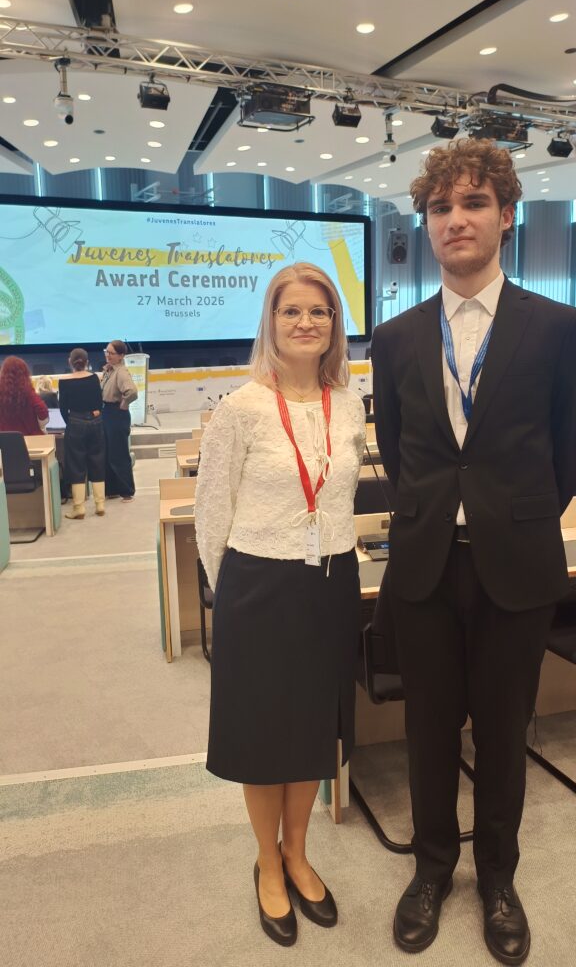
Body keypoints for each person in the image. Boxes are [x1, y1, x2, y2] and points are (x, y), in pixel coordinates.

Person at [371, 138, 576, 965]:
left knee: (502, 732)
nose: (455, 219)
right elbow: (398, 449)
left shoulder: (558, 328)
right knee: (426, 733)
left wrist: (514, 516)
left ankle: (497, 878)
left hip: (516, 566)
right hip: (425, 565)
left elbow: (568, 449)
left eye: (473, 203)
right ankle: (431, 870)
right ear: (426, 223)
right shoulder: (395, 337)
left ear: (506, 215)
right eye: (440, 207)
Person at [195, 263, 365, 947]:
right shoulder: (240, 408)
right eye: (291, 311)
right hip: (259, 586)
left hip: (330, 581)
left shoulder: (348, 403)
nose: (305, 322)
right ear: (270, 321)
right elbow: (211, 516)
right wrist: (236, 592)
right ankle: (267, 861)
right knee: (263, 735)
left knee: (311, 729)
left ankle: (298, 853)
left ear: (334, 325)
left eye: (319, 311)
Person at [58, 348, 105, 520]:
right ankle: (100, 504)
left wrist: (71, 422)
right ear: (87, 362)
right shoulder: (94, 378)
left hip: (75, 423)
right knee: (97, 460)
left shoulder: (64, 382)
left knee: (76, 464)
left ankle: (79, 507)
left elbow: (63, 409)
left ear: (70, 362)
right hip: (95, 422)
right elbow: (99, 403)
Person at [100, 341, 137, 500]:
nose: (108, 355)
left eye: (111, 353)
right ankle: (112, 490)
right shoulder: (109, 370)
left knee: (119, 454)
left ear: (121, 356)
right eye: (106, 352)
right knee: (108, 453)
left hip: (116, 414)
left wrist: (124, 403)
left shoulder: (121, 372)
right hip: (107, 413)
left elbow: (132, 391)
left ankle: (126, 490)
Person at [0, 356, 49, 434]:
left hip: (4, 439)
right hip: (30, 438)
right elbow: (43, 413)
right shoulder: (28, 392)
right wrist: (39, 425)